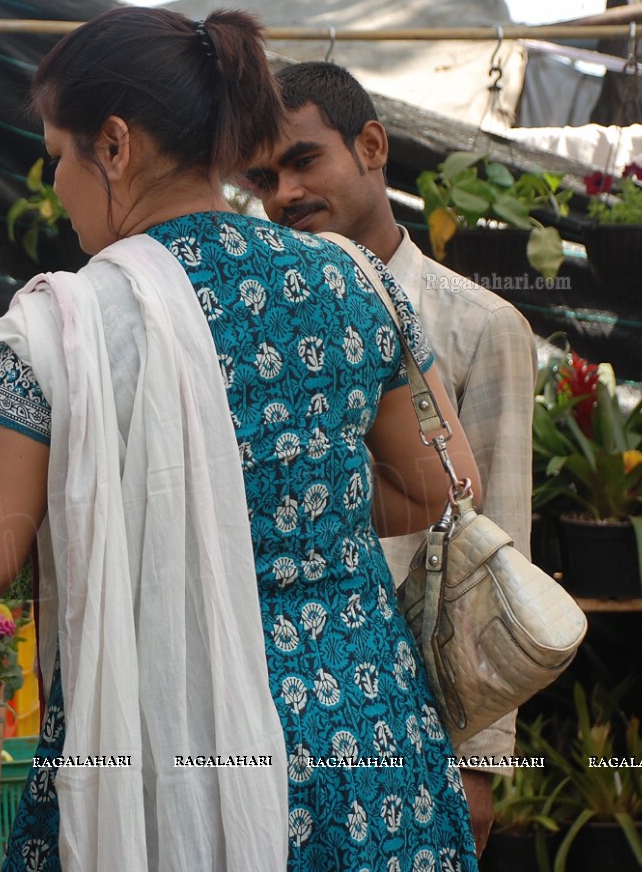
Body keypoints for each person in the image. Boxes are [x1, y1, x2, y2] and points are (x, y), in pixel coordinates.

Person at [0, 8, 482, 872]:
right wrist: (289, 520)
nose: (53, 183)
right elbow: (440, 482)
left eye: (58, 154)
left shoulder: (67, 328)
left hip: (168, 755)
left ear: (117, 145)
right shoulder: (357, 280)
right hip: (370, 740)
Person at [247, 60, 539, 854]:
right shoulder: (258, 321)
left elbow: (498, 544)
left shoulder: (478, 324)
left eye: (304, 160)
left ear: (372, 145)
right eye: (263, 176)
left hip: (416, 717)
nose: (283, 195)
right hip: (282, 710)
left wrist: (478, 763)